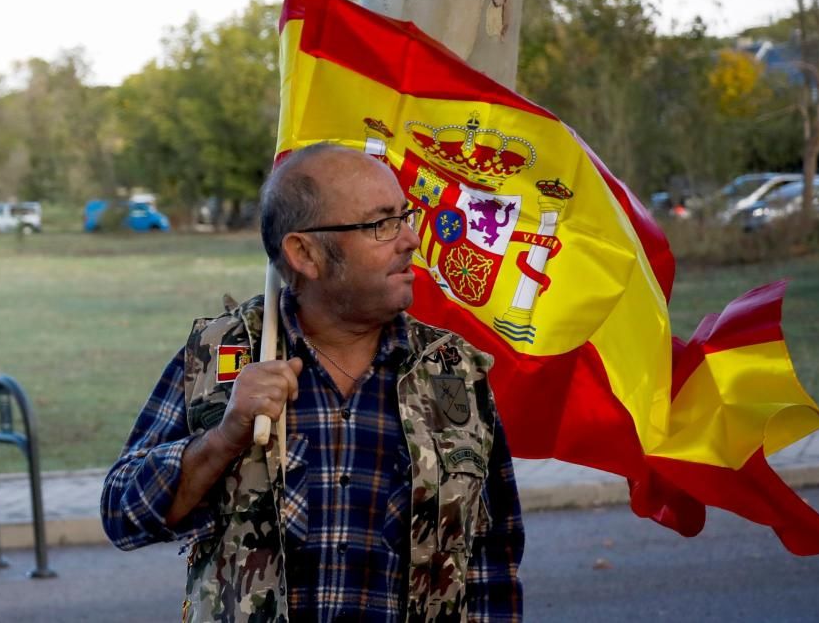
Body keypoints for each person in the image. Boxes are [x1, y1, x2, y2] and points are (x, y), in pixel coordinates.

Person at [101, 143, 525, 623]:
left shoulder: (453, 371)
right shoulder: (220, 355)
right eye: (381, 223)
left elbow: (494, 559)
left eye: (404, 217)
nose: (410, 239)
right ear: (304, 252)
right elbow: (122, 515)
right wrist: (223, 437)